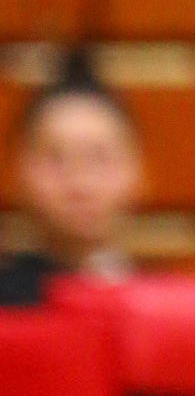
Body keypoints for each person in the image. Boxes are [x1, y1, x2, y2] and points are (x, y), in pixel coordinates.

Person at [0, 48, 143, 307]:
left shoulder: (166, 302)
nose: (81, 184)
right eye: (56, 160)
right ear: (20, 172)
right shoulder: (7, 306)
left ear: (137, 170)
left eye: (100, 159)